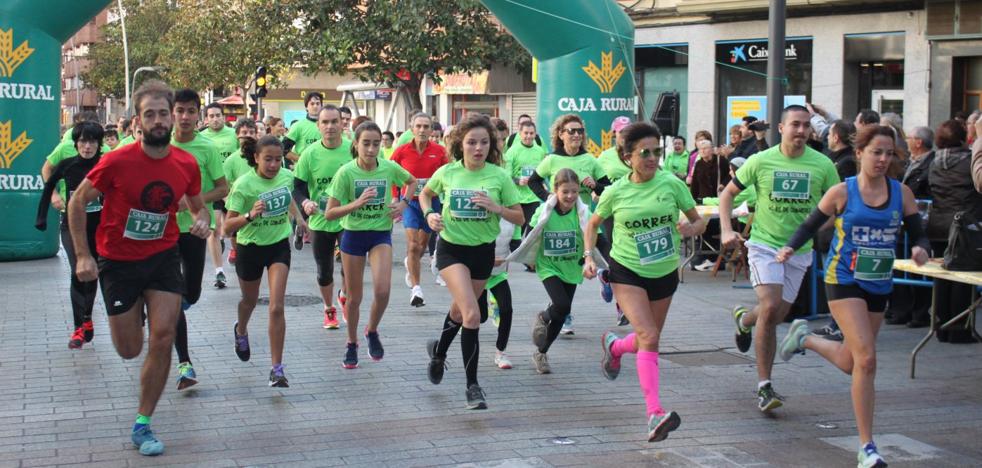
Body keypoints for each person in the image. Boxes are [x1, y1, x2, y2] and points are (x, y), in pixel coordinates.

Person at [66, 80, 211, 456]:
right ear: (137, 121)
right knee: (130, 349)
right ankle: (133, 317)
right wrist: (83, 255)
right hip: (118, 262)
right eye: (151, 115)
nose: (160, 120)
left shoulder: (186, 163)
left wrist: (202, 220)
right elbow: (78, 203)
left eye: (164, 113)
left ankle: (143, 422)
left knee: (163, 337)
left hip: (163, 258)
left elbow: (198, 206)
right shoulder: (116, 161)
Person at [775, 125, 930, 468]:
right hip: (843, 279)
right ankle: (867, 447)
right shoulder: (841, 193)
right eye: (877, 152)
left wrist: (920, 247)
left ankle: (806, 339)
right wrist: (788, 246)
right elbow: (809, 225)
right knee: (868, 360)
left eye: (889, 153)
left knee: (851, 362)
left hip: (877, 280)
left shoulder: (901, 193)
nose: (883, 159)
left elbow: (920, 232)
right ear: (859, 153)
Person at [583, 121, 706, 442]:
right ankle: (654, 413)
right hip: (626, 270)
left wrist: (690, 228)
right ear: (627, 157)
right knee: (649, 335)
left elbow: (698, 221)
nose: (652, 158)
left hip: (664, 271)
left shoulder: (671, 184)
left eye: (656, 152)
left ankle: (615, 346)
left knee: (645, 339)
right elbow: (593, 224)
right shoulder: (615, 191)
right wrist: (588, 256)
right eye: (644, 153)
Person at [719, 104, 840, 412]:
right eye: (795, 125)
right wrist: (724, 230)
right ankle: (764, 386)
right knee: (771, 307)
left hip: (799, 251)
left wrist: (813, 229)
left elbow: (836, 206)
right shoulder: (761, 161)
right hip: (764, 245)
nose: (801, 130)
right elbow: (727, 194)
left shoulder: (823, 164)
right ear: (782, 128)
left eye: (805, 125)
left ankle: (744, 319)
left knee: (776, 315)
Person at [421, 113, 524, 410]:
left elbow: (519, 217)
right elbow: (425, 195)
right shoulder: (448, 173)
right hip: (452, 251)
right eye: (471, 142)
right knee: (472, 315)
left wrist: (496, 207)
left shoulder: (499, 176)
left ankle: (439, 352)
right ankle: (473, 386)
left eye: (484, 142)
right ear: (460, 144)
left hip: (483, 253)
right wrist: (430, 214)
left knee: (459, 310)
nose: (478, 148)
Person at [326, 122, 416, 368]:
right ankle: (352, 342)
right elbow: (330, 213)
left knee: (383, 291)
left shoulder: (388, 168)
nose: (371, 148)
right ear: (356, 144)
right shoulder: (346, 172)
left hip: (379, 234)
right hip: (353, 235)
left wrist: (404, 203)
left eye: (376, 143)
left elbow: (412, 181)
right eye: (366, 143)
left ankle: (372, 330)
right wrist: (356, 204)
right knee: (354, 298)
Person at [225, 135, 305, 387]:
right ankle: (241, 331)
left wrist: (299, 218)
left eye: (278, 160)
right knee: (249, 301)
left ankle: (277, 369)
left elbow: (287, 195)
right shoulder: (244, 185)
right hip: (250, 248)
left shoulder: (285, 176)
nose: (273, 165)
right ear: (256, 158)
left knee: (276, 306)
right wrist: (250, 215)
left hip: (278, 246)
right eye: (268, 159)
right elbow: (226, 227)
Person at [528, 114, 611, 334]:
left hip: (584, 222)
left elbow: (607, 187)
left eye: (580, 131)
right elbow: (533, 181)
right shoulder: (552, 159)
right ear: (560, 134)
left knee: (611, 257)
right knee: (563, 268)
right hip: (558, 222)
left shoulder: (590, 160)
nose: (576, 135)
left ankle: (608, 280)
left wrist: (595, 186)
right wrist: (547, 196)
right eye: (571, 131)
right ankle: (562, 313)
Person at [170, 89, 229, 390]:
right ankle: (184, 363)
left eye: (191, 111)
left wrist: (193, 201)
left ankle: (165, 309)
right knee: (174, 297)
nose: (184, 117)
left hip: (195, 229)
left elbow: (223, 189)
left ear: (198, 115)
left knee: (190, 294)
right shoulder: (157, 144)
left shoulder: (206, 148)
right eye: (179, 110)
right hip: (163, 232)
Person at [509, 168, 594, 374]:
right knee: (562, 305)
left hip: (572, 265)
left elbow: (595, 236)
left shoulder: (583, 212)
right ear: (555, 190)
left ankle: (541, 352)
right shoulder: (544, 210)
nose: (570, 196)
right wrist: (527, 257)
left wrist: (594, 259)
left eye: (574, 192)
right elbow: (530, 234)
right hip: (548, 265)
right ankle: (543, 316)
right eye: (565, 192)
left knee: (562, 312)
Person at [35, 122, 106, 350]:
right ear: (75, 144)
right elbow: (48, 186)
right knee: (78, 269)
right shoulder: (68, 164)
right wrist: (42, 217)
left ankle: (87, 316)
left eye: (92, 142)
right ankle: (78, 327)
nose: (87, 147)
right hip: (71, 226)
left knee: (91, 271)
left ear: (99, 144)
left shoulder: (106, 163)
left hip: (98, 226)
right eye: (83, 142)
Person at [294, 105, 353, 330]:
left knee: (349, 266)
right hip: (320, 220)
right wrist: (305, 202)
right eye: (325, 122)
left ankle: (344, 295)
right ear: (318, 126)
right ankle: (329, 308)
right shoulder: (309, 154)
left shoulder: (352, 149)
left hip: (349, 219)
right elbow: (297, 186)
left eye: (334, 122)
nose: (330, 127)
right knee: (324, 269)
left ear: (342, 123)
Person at [926, 120, 982, 343]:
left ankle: (941, 326)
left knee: (943, 276)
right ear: (962, 137)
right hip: (964, 226)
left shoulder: (933, 161)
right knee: (962, 277)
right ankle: (959, 329)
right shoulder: (969, 161)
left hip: (938, 224)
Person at [391, 112, 449, 307]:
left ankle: (411, 263)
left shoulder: (440, 152)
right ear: (412, 129)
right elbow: (390, 171)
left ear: (431, 130)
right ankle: (417, 290)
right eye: (419, 126)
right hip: (410, 202)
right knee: (413, 243)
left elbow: (447, 176)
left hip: (431, 203)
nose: (423, 130)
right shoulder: (402, 151)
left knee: (422, 245)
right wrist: (394, 195)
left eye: (426, 127)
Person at [222, 118, 259, 265]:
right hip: (238, 204)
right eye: (244, 132)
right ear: (237, 135)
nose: (248, 135)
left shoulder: (261, 156)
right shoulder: (231, 160)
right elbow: (224, 187)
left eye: (251, 132)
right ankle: (238, 252)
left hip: (258, 202)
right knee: (236, 233)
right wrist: (231, 204)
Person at [503, 119, 547, 235]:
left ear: (535, 134)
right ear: (520, 134)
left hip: (533, 197)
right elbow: (507, 176)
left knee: (530, 233)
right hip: (516, 198)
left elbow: (543, 173)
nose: (528, 136)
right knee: (516, 233)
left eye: (531, 133)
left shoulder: (540, 151)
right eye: (526, 133)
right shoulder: (512, 151)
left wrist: (542, 183)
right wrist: (518, 181)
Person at [283, 92, 324, 164]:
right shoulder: (298, 126)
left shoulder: (328, 125)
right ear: (306, 107)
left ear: (321, 106)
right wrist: (302, 159)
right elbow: (283, 149)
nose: (315, 106)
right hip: (303, 171)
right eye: (312, 104)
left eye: (318, 103)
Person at [597, 116, 632, 183]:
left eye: (628, 131)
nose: (625, 135)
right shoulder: (605, 156)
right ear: (614, 133)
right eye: (621, 132)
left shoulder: (638, 153)